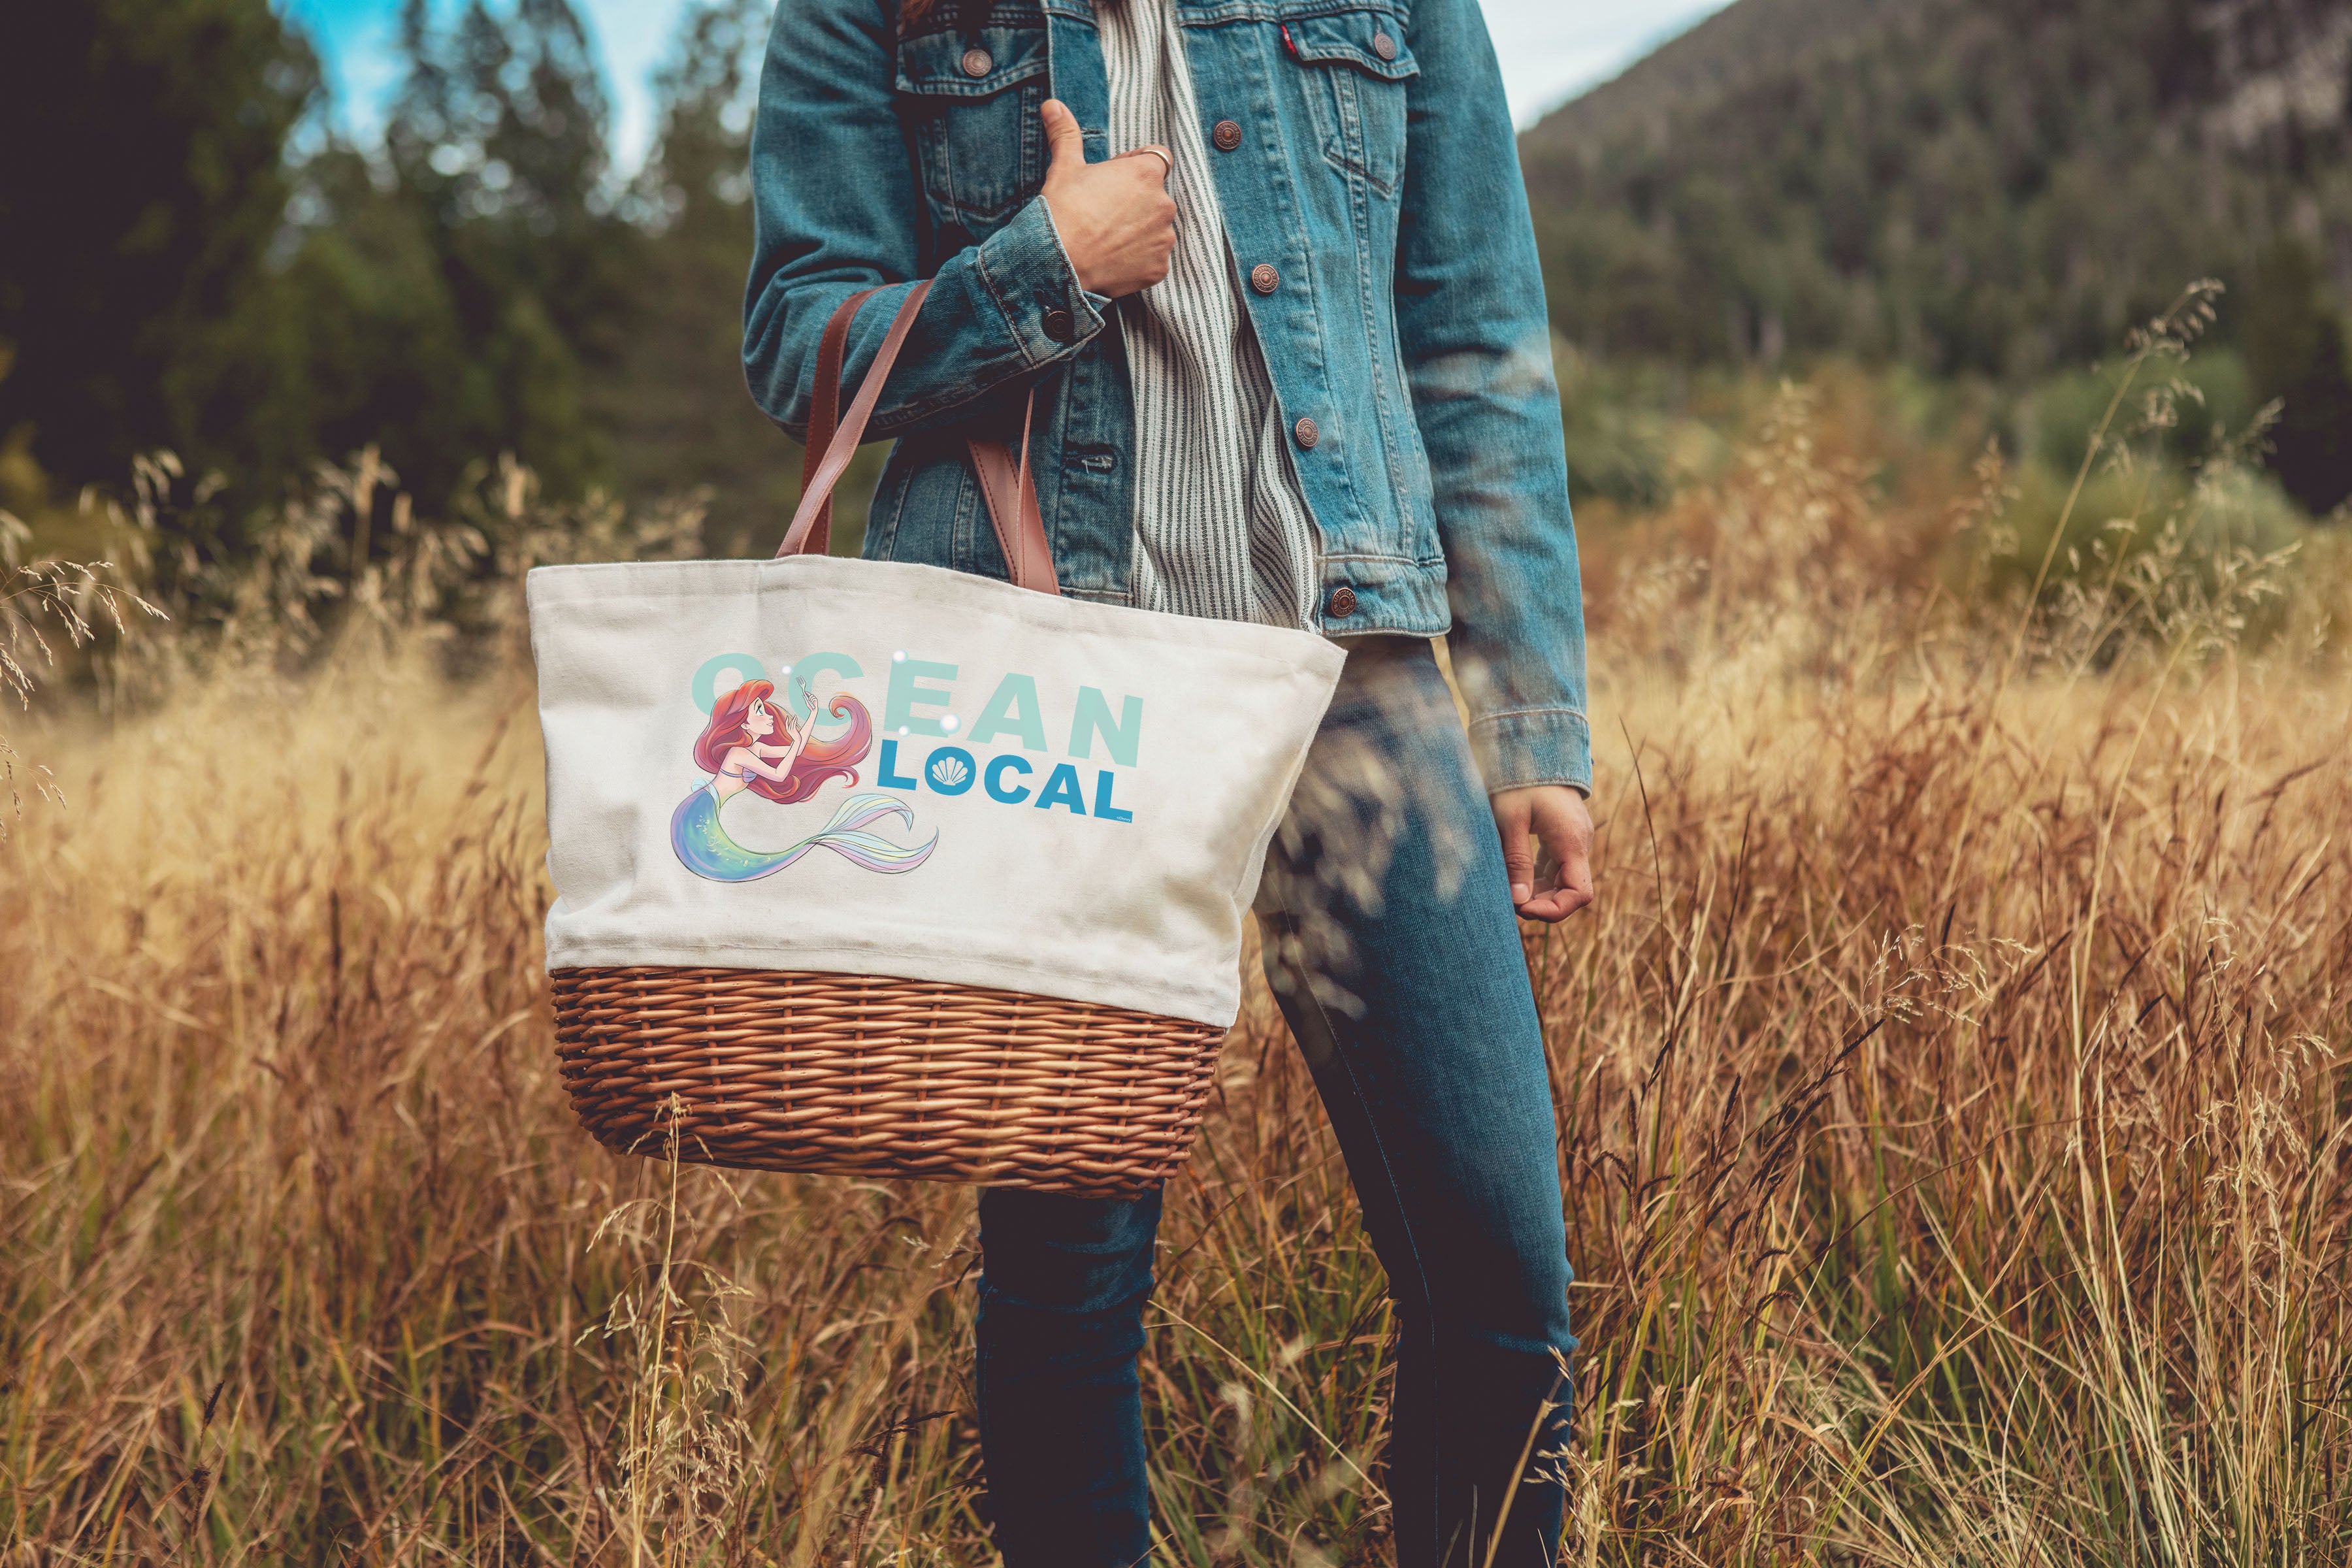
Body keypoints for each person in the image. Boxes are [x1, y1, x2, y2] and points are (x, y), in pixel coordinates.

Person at [745, 0, 1595, 1560]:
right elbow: (797, 336)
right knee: (1071, 1291)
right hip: (1055, 701)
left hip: (1358, 678)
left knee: (1500, 1273)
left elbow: (1473, 338)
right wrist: (1039, 270)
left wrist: (1533, 715)